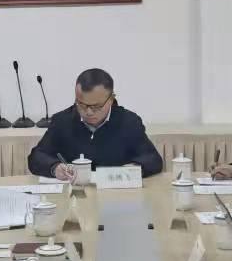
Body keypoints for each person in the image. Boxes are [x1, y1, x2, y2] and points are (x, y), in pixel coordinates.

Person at [27, 67, 164, 178]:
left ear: (111, 99)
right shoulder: (62, 121)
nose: (89, 112)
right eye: (81, 104)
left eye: (96, 106)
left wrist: (133, 169)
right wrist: (54, 167)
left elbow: (152, 159)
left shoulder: (129, 122)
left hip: (115, 196)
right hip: (75, 194)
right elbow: (37, 157)